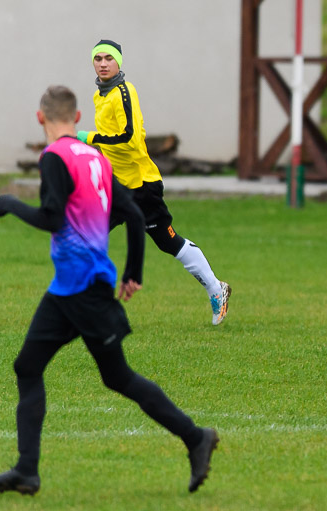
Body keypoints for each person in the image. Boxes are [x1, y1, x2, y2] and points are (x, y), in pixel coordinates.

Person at [0, 86, 218, 496]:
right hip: (68, 289)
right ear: (77, 118)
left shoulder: (54, 157)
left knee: (118, 376)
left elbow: (52, 218)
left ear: (40, 118)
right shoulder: (95, 157)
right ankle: (26, 471)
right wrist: (133, 272)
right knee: (29, 367)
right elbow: (133, 213)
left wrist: (9, 204)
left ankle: (196, 437)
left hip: (84, 289)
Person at [76, 39, 231, 326]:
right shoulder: (100, 95)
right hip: (117, 185)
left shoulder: (124, 92)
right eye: (98, 58)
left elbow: (130, 138)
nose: (103, 63)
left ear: (119, 62)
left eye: (109, 58)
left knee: (168, 241)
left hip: (141, 185)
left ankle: (216, 288)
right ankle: (85, 304)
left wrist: (91, 138)